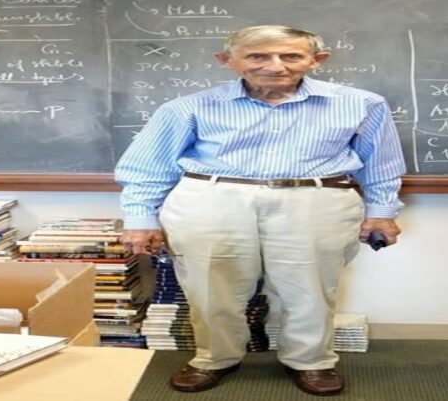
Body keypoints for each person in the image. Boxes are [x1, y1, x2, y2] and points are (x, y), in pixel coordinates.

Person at [115, 25, 406, 396]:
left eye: (291, 56)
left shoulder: (362, 104)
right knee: (210, 286)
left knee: (311, 288)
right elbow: (148, 168)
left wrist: (381, 212)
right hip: (211, 198)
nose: (275, 65)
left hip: (316, 199)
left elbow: (381, 164)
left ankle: (312, 361)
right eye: (258, 56)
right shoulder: (187, 107)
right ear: (228, 61)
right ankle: (214, 358)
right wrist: (140, 219)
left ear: (316, 60)